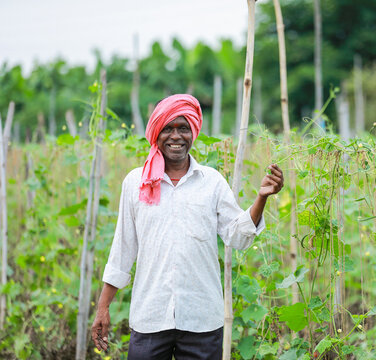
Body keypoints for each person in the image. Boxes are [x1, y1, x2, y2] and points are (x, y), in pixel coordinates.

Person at [91, 94, 284, 360]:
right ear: (156, 134)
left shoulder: (211, 182)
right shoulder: (135, 183)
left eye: (183, 128)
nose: (176, 136)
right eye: (168, 129)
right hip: (150, 316)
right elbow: (122, 250)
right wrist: (103, 308)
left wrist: (261, 197)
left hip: (201, 319)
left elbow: (239, 237)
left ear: (192, 132)